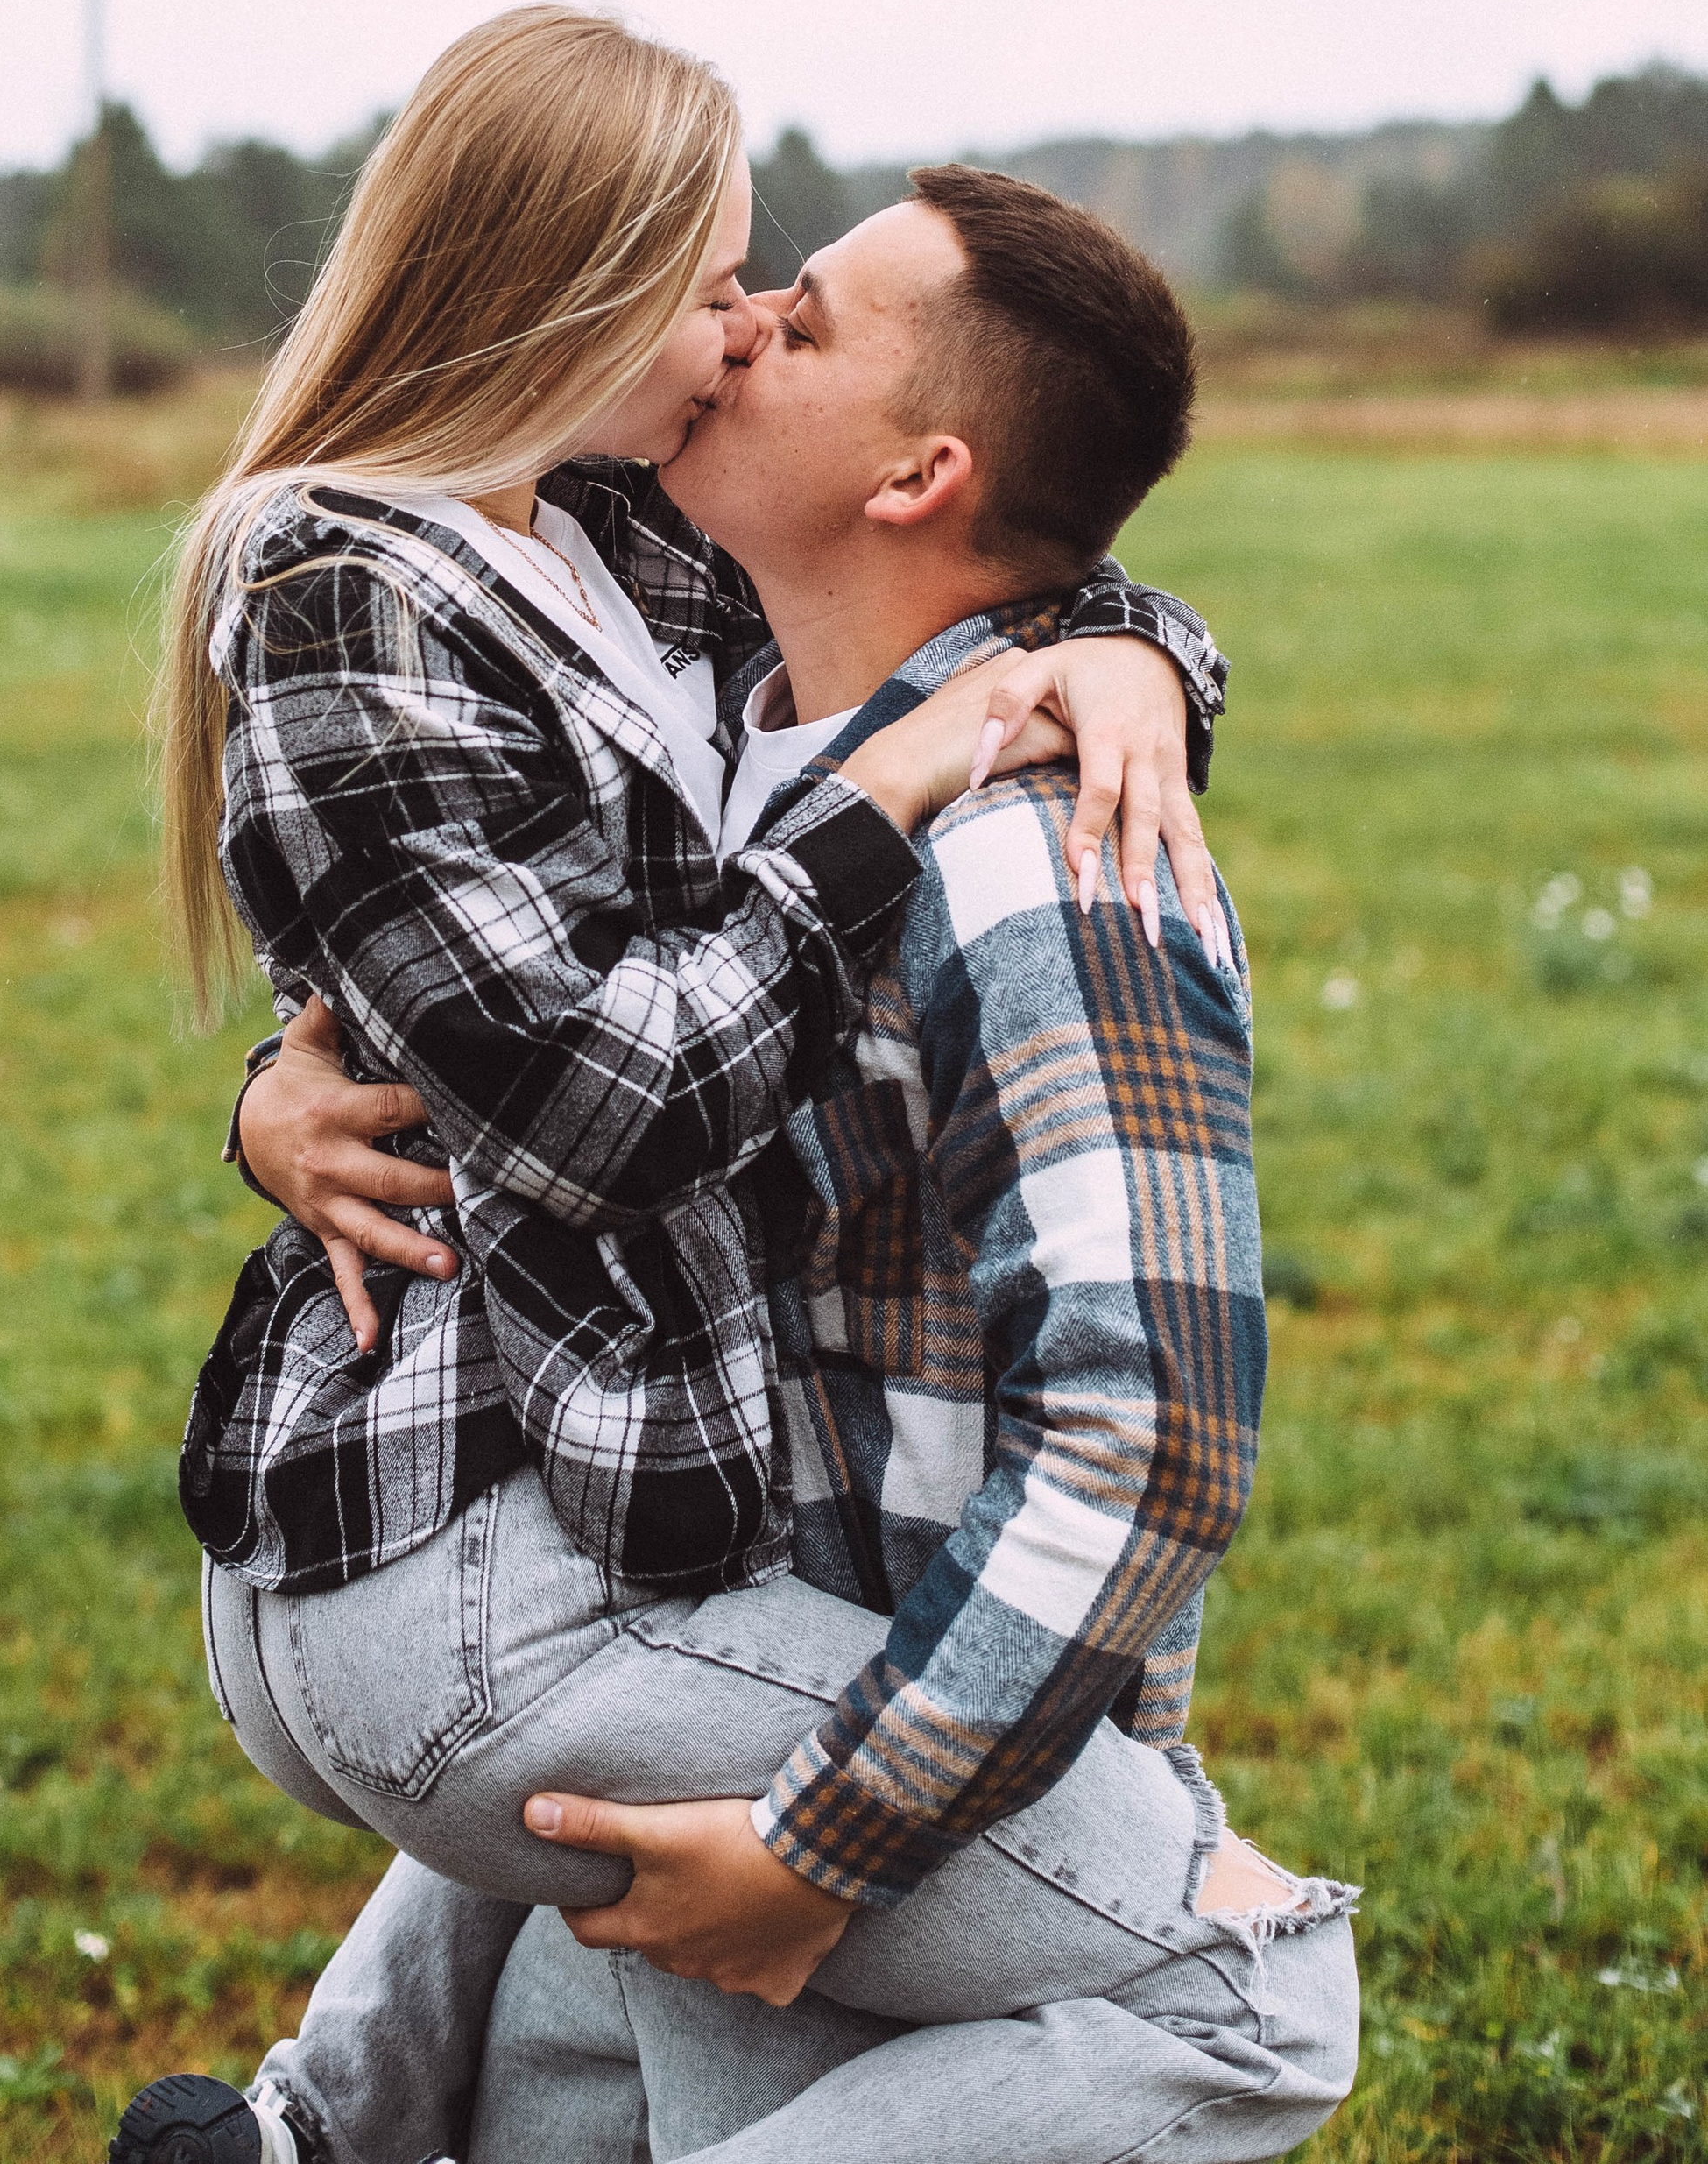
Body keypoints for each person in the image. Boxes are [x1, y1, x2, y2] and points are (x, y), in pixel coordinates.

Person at [120, 167, 1353, 2164]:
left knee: (1246, 1995)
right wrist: (290, 1086)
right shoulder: (724, 710)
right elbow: (503, 957)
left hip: (872, 1652)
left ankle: (314, 2131)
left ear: (909, 469)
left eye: (807, 315)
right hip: (691, 1582)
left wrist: (829, 1835)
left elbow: (1153, 1438)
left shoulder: (1037, 862)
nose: (743, 319)